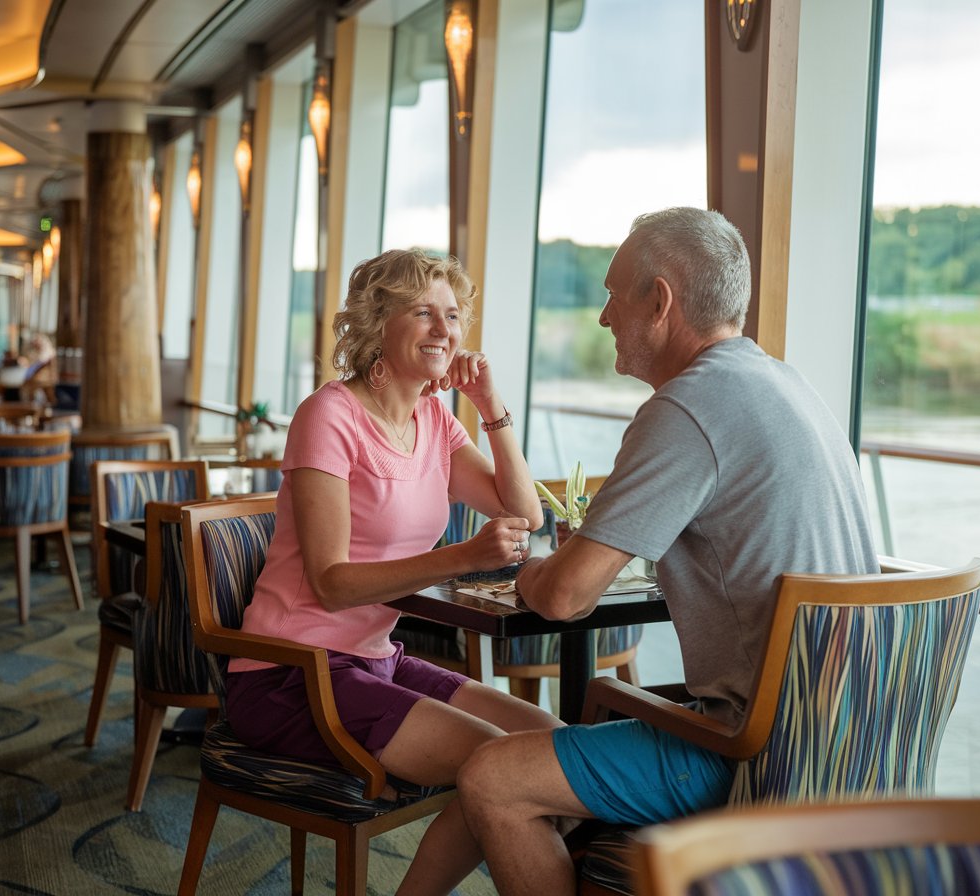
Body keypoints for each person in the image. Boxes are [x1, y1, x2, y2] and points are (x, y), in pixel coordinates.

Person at [456, 207, 878, 896]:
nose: (602, 319)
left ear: (660, 300)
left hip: (760, 756)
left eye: (612, 296)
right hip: (854, 746)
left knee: (493, 777)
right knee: (582, 728)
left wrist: (528, 574)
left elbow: (566, 596)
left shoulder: (688, 407)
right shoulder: (787, 383)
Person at [225, 248, 561, 895]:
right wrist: (465, 555)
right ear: (380, 323)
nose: (444, 329)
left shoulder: (434, 418)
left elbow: (525, 514)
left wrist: (489, 406)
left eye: (453, 315)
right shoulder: (329, 415)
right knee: (505, 766)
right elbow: (330, 582)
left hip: (374, 657)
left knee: (552, 743)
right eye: (423, 313)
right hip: (289, 670)